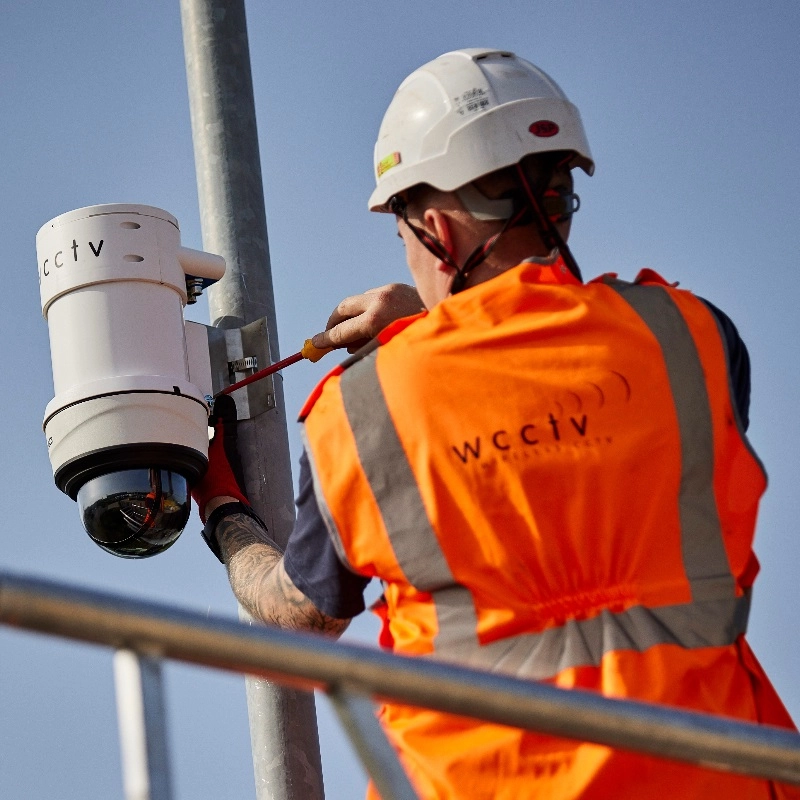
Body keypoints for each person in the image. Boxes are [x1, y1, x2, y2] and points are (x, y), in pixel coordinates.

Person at [191, 49, 799, 799]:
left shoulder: (365, 411)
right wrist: (438, 326)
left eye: (403, 234)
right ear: (561, 197)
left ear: (436, 228)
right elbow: (566, 372)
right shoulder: (694, 338)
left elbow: (298, 613)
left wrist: (221, 509)